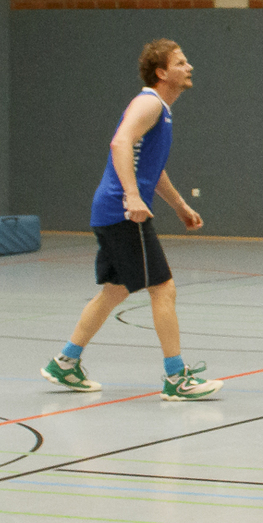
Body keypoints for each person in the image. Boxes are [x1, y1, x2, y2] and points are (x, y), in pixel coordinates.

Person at [42, 39, 223, 401]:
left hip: (111, 211)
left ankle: (64, 362)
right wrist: (132, 196)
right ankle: (177, 377)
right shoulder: (149, 102)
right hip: (122, 212)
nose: (189, 67)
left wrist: (180, 206)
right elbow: (120, 143)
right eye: (181, 62)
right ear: (161, 72)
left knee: (114, 292)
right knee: (163, 288)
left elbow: (152, 170)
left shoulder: (162, 110)